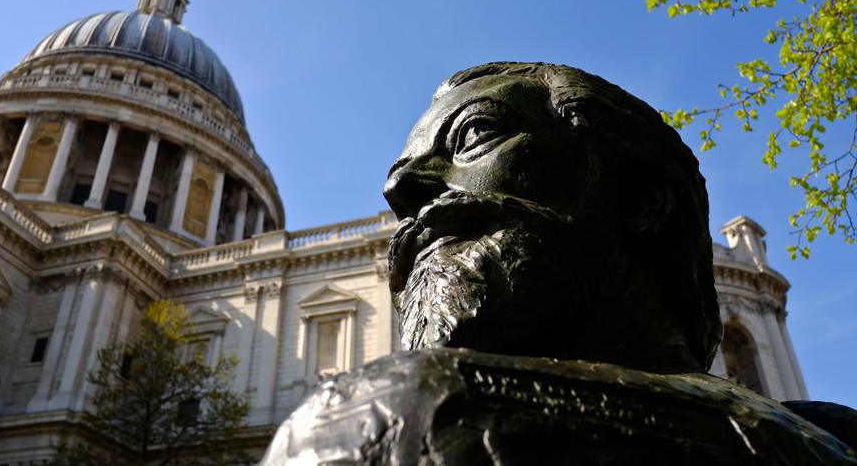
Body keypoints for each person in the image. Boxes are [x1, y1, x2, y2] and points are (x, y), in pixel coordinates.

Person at [260, 62, 857, 465]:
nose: (399, 191)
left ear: (642, 198)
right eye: (404, 171)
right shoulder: (830, 433)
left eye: (474, 135)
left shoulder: (375, 416)